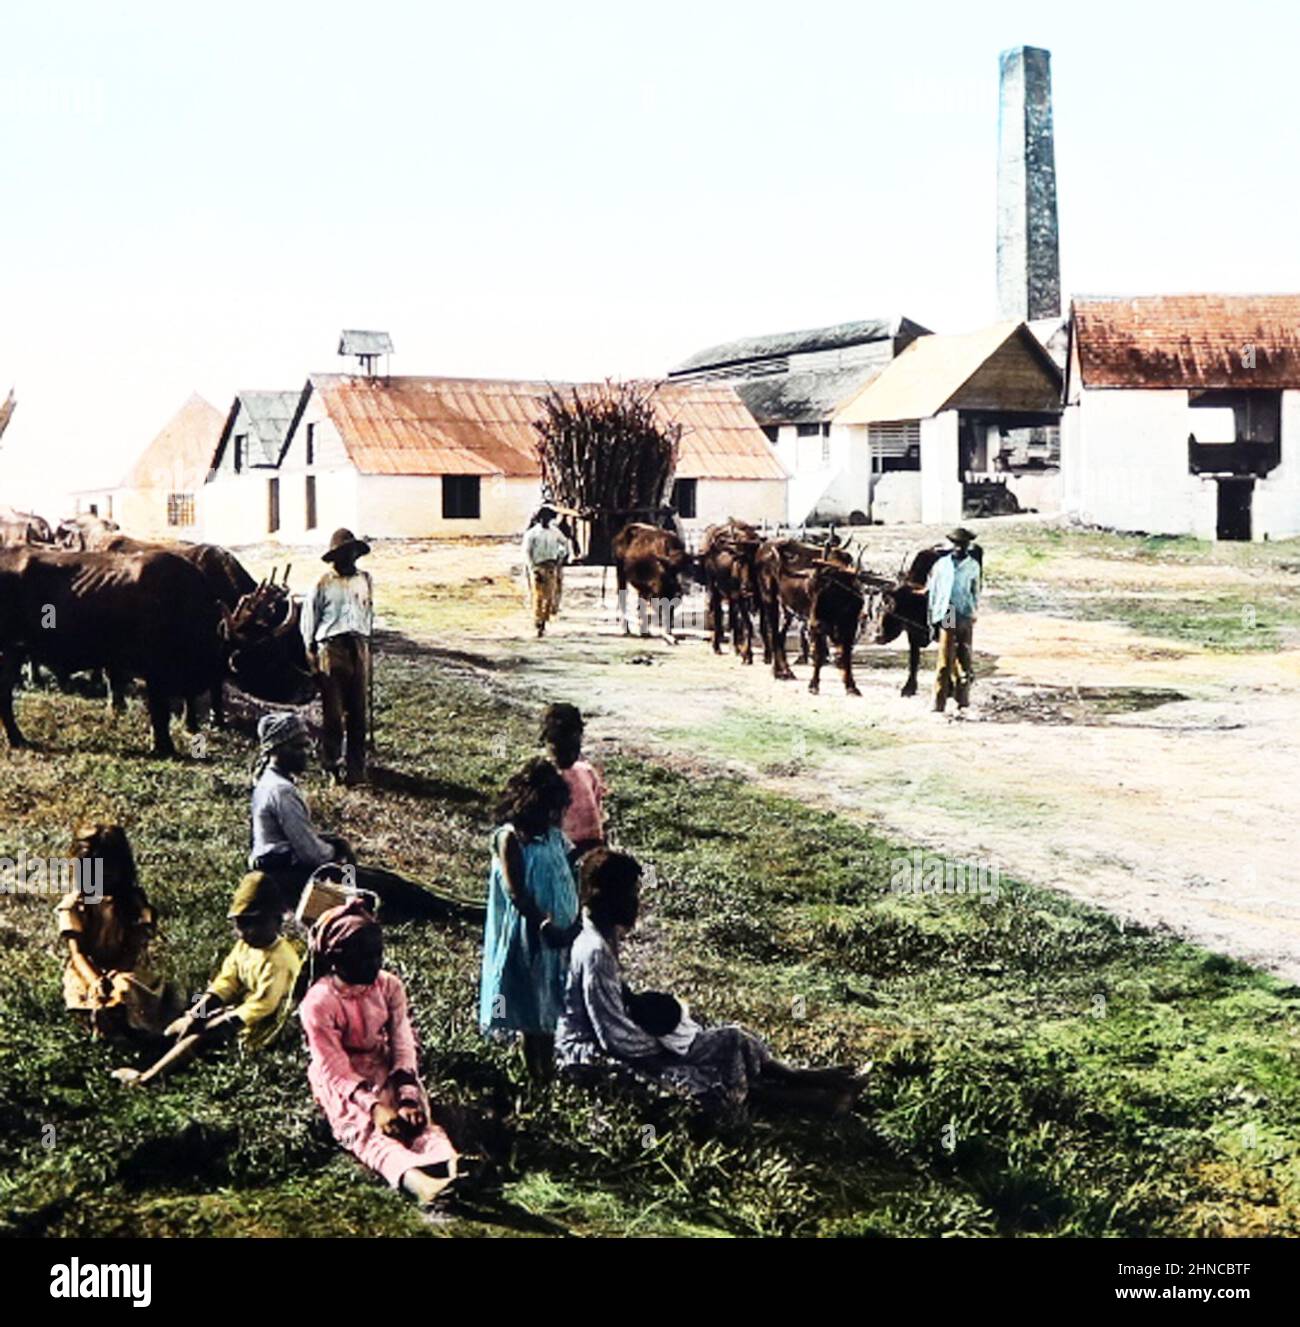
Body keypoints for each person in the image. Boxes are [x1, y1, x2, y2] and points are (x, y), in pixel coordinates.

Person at [556, 849, 865, 1116]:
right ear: (609, 899)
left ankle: (807, 1077)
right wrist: (671, 1047)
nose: (637, 903)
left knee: (733, 1039)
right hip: (593, 1057)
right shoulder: (594, 951)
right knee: (700, 1085)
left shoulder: (602, 933)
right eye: (632, 895)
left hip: (627, 1041)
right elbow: (613, 1037)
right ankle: (817, 1101)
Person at [299, 898, 459, 1208]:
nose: (374, 965)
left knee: (417, 1123)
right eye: (363, 958)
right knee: (368, 1132)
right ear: (336, 960)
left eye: (377, 956)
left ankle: (452, 1164)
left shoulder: (389, 986)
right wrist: (374, 1108)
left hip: (383, 1064)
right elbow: (333, 1068)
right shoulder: (318, 1004)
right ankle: (419, 1183)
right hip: (344, 1083)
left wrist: (407, 1094)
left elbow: (402, 1040)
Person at [249, 711, 475, 924]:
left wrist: (333, 842)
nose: (306, 753)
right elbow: (312, 855)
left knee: (381, 878)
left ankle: (452, 907)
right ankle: (456, 911)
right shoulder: (282, 791)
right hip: (290, 880)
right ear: (276, 750)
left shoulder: (268, 783)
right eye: (298, 747)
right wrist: (337, 851)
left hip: (280, 873)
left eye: (306, 746)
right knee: (386, 886)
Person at [112, 871, 301, 1086]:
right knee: (181, 1025)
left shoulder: (279, 961)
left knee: (198, 1038)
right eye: (241, 925)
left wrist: (216, 1023)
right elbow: (226, 982)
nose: (247, 932)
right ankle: (147, 1059)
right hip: (236, 1011)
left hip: (260, 1026)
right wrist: (195, 1014)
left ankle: (148, 1079)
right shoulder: (245, 947)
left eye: (256, 923)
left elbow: (262, 1006)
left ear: (277, 921)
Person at [479, 758, 580, 1080]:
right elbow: (516, 891)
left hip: (558, 933)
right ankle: (532, 1068)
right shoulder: (510, 838)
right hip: (529, 932)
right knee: (527, 999)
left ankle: (546, 1064)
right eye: (549, 810)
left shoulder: (553, 836)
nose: (554, 818)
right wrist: (544, 924)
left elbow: (568, 871)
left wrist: (573, 921)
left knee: (550, 998)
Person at [55, 823, 173, 1040]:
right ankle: (101, 1022)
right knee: (86, 995)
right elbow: (77, 953)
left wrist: (117, 972)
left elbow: (134, 947)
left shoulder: (133, 902)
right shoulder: (76, 905)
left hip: (126, 966)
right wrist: (95, 980)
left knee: (125, 989)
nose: (103, 877)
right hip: (88, 969)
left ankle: (127, 1023)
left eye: (109, 869)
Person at [301, 527, 374, 785]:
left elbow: (367, 613)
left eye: (353, 553)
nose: (349, 558)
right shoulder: (322, 583)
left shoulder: (365, 579)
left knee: (358, 712)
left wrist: (366, 645)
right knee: (333, 713)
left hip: (359, 646)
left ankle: (356, 769)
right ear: (335, 557)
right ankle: (331, 765)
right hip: (331, 649)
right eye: (344, 554)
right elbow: (309, 620)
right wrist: (311, 652)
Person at [925, 527, 982, 714]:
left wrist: (973, 612)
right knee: (945, 658)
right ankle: (938, 702)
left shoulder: (973, 566)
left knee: (965, 657)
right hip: (947, 612)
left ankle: (962, 700)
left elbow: (975, 591)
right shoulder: (941, 565)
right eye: (957, 544)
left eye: (963, 544)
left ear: (968, 545)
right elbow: (933, 592)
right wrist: (933, 618)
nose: (960, 548)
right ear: (952, 544)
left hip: (964, 613)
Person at [540, 703, 607, 860]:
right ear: (545, 741)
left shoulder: (587, 772)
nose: (568, 753)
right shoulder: (542, 777)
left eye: (573, 746)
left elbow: (599, 813)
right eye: (558, 746)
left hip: (591, 848)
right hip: (559, 851)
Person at [521, 507, 571, 638]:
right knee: (538, 596)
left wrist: (561, 557)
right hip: (538, 567)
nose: (545, 520)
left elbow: (565, 544)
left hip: (551, 566)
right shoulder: (532, 534)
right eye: (543, 518)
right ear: (539, 519)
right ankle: (538, 621)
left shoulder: (555, 532)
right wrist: (532, 568)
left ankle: (544, 620)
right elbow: (527, 552)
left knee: (550, 597)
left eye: (548, 518)